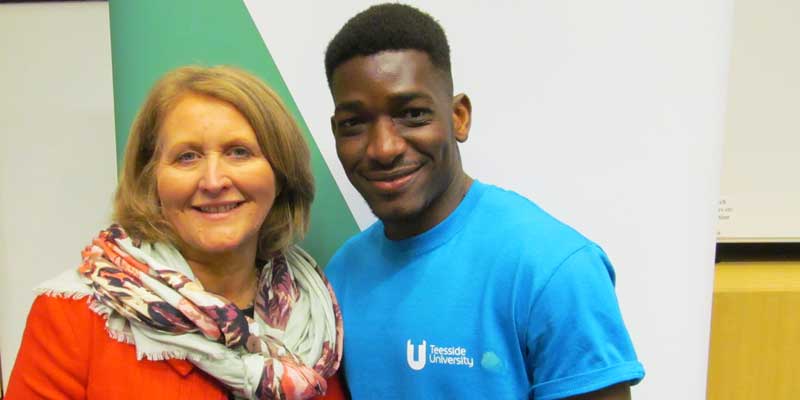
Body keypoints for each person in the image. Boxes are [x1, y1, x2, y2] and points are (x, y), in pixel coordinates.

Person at [323, 4, 645, 399]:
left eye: (412, 114)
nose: (383, 148)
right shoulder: (340, 274)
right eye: (354, 123)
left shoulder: (553, 269)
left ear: (458, 117)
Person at [7, 66, 344, 400]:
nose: (213, 181)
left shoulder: (318, 316)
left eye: (239, 152)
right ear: (150, 180)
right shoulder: (72, 318)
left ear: (280, 173)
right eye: (187, 157)